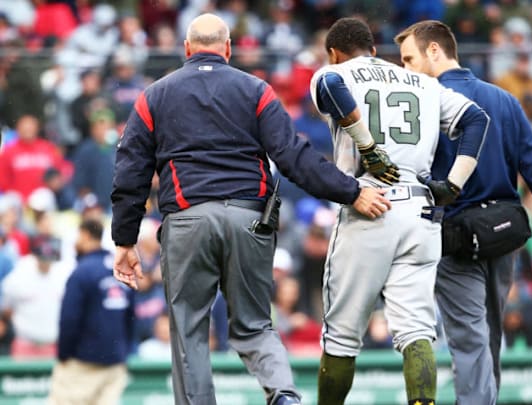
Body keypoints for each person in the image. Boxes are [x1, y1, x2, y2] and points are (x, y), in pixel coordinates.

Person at [110, 13, 391, 405]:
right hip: (250, 219)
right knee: (256, 325)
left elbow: (130, 172)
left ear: (187, 49)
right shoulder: (256, 90)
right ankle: (284, 395)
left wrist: (124, 239)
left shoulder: (154, 95)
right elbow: (294, 157)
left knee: (190, 330)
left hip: (187, 220)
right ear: (228, 49)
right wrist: (351, 192)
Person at [395, 20, 532, 404]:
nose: (404, 70)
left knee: (469, 339)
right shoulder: (504, 101)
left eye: (409, 59)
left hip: (452, 237)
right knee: (488, 335)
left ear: (435, 51)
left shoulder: (423, 104)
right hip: (502, 232)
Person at [310, 17, 491, 405]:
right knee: (416, 331)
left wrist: (368, 147)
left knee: (342, 335)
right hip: (421, 211)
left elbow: (330, 84)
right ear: (375, 50)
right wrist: (454, 183)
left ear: (334, 52)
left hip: (368, 205)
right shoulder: (425, 83)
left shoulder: (337, 70)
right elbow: (477, 119)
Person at [48, 219, 134, 405]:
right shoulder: (118, 268)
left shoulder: (82, 272)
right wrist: (123, 353)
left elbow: (69, 319)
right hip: (114, 363)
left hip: (82, 364)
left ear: (86, 235)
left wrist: (64, 355)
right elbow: (131, 317)